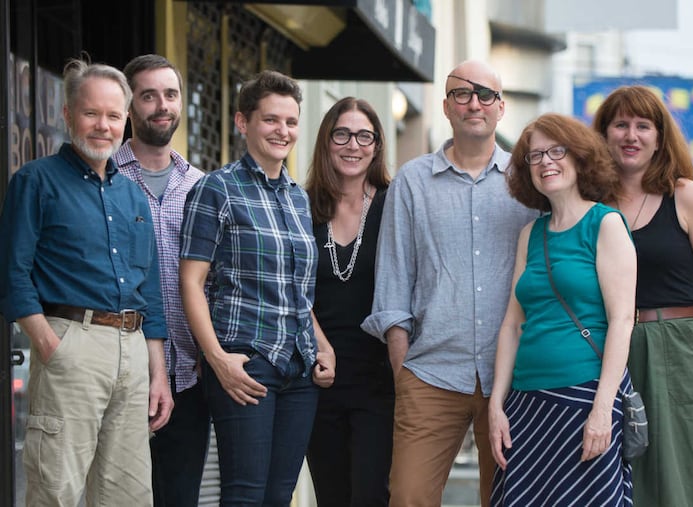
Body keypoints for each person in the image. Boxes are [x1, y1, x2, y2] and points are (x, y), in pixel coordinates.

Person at [361, 59, 538, 507]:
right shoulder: (412, 182)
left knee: (505, 499)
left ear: (501, 108)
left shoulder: (529, 182)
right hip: (431, 373)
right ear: (445, 106)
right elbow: (394, 281)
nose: (473, 103)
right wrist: (404, 373)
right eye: (462, 93)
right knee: (408, 497)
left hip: (514, 377)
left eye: (485, 95)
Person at [0, 57, 173, 505]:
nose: (103, 125)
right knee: (56, 488)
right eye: (91, 113)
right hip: (70, 345)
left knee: (128, 496)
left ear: (126, 121)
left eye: (114, 116)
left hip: (133, 353)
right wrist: (48, 343)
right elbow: (12, 273)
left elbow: (149, 290)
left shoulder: (132, 194)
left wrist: (157, 373)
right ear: (68, 114)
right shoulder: (35, 182)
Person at [179, 69, 336, 506]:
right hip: (246, 362)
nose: (282, 131)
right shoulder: (216, 189)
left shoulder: (298, 198)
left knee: (279, 495)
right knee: (245, 494)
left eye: (289, 121)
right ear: (242, 122)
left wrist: (323, 346)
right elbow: (190, 283)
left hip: (300, 367)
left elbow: (298, 292)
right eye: (270, 120)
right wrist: (218, 360)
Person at [592, 85, 693, 506]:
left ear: (660, 137)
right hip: (605, 352)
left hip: (678, 351)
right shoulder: (589, 206)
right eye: (620, 124)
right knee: (618, 481)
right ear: (603, 134)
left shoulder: (687, 197)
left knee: (687, 483)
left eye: (643, 126)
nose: (631, 135)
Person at [488, 113, 636, 506]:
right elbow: (513, 324)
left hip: (583, 398)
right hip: (526, 403)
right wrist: (496, 405)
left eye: (557, 151)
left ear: (580, 158)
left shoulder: (605, 224)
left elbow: (623, 321)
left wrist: (604, 409)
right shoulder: (529, 234)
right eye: (535, 156)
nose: (545, 162)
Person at [115, 54, 209, 506]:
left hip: (189, 373)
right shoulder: (104, 177)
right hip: (120, 368)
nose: (161, 105)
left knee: (180, 497)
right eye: (148, 95)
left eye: (170, 94)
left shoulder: (203, 187)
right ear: (130, 105)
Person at [304, 97, 394, 506]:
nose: (352, 145)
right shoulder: (301, 206)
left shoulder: (395, 205)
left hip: (381, 383)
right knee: (332, 498)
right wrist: (320, 345)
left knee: (372, 497)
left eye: (364, 136)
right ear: (327, 141)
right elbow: (290, 287)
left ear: (376, 146)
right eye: (341, 134)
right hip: (319, 379)